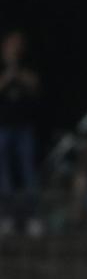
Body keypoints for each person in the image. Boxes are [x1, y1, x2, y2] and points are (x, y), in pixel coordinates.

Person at [0, 30, 40, 236]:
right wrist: (9, 74)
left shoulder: (27, 63)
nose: (15, 47)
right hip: (3, 127)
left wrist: (19, 72)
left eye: (18, 43)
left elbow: (35, 85)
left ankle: (31, 217)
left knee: (27, 171)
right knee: (2, 173)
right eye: (12, 43)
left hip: (24, 127)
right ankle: (6, 216)